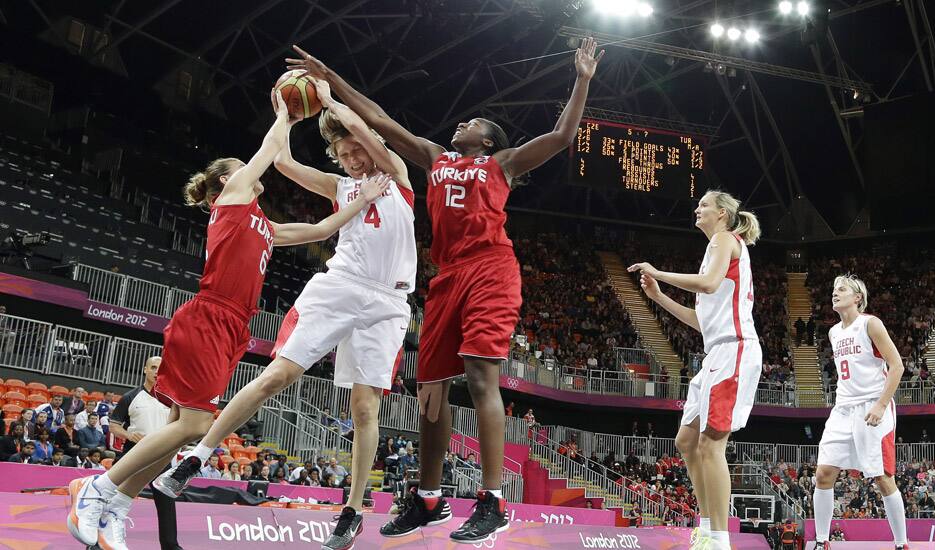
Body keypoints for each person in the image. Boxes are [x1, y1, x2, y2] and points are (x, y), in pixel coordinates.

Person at [286, 36, 604, 543]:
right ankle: (428, 499)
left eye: (473, 123)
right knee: (429, 392)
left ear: (490, 142)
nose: (461, 122)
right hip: (447, 277)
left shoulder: (502, 165)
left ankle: (493, 500)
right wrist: (330, 78)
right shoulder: (435, 157)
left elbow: (564, 136)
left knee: (480, 376)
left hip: (491, 270)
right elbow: (381, 119)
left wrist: (582, 79)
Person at [66, 92, 391, 549]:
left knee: (177, 430)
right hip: (209, 316)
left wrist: (365, 200)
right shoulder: (233, 200)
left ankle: (119, 504)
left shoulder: (262, 225)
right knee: (197, 426)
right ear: (226, 179)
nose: (250, 171)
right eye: (241, 167)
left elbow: (320, 231)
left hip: (233, 327)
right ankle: (98, 487)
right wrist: (284, 116)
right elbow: (265, 154)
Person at [155, 79, 417, 550]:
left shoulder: (396, 175)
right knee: (278, 375)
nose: (355, 158)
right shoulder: (341, 185)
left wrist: (333, 103)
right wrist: (288, 112)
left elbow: (368, 129)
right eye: (345, 151)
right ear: (337, 156)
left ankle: (353, 510)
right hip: (340, 286)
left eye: (359, 149)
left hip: (390, 302)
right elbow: (281, 163)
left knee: (364, 407)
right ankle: (198, 455)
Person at [629, 189, 762, 550]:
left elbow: (707, 284)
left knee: (711, 445)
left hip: (735, 349)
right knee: (686, 441)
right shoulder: (714, 249)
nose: (697, 209)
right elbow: (700, 321)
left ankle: (720, 539)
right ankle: (705, 528)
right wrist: (658, 297)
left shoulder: (724, 240)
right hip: (716, 351)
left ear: (721, 213)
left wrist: (658, 272)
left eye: (704, 205)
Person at [811, 275, 908, 550]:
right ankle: (821, 542)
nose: (835, 293)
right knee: (823, 474)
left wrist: (880, 404)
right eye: (833, 289)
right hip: (843, 408)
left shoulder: (870, 323)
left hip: (872, 405)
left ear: (857, 298)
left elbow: (897, 365)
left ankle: (902, 543)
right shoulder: (833, 332)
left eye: (841, 289)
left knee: (882, 477)